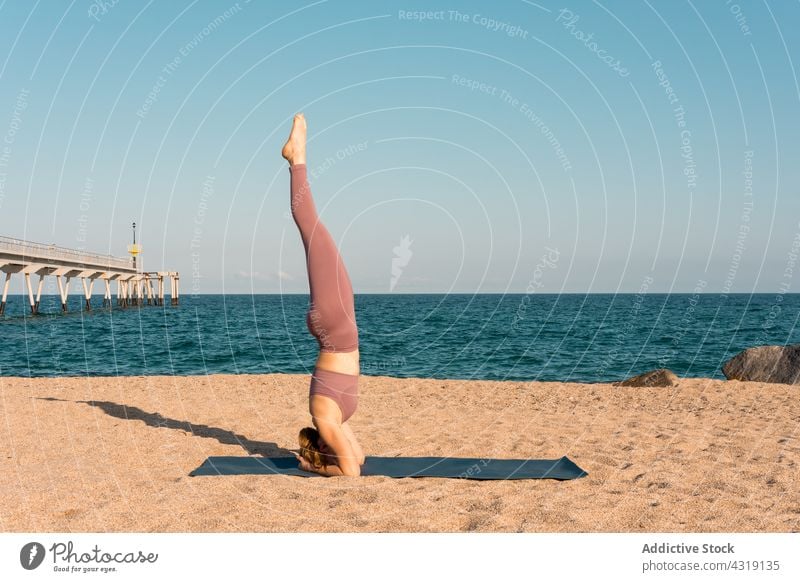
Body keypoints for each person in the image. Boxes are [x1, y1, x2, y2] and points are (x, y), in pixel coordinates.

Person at [282, 113, 365, 477]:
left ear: (322, 444)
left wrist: (316, 467)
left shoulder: (322, 414)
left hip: (334, 331)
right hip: (339, 330)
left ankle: (296, 158)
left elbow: (347, 468)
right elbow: (356, 464)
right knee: (317, 233)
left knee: (313, 229)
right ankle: (297, 158)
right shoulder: (335, 421)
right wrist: (322, 468)